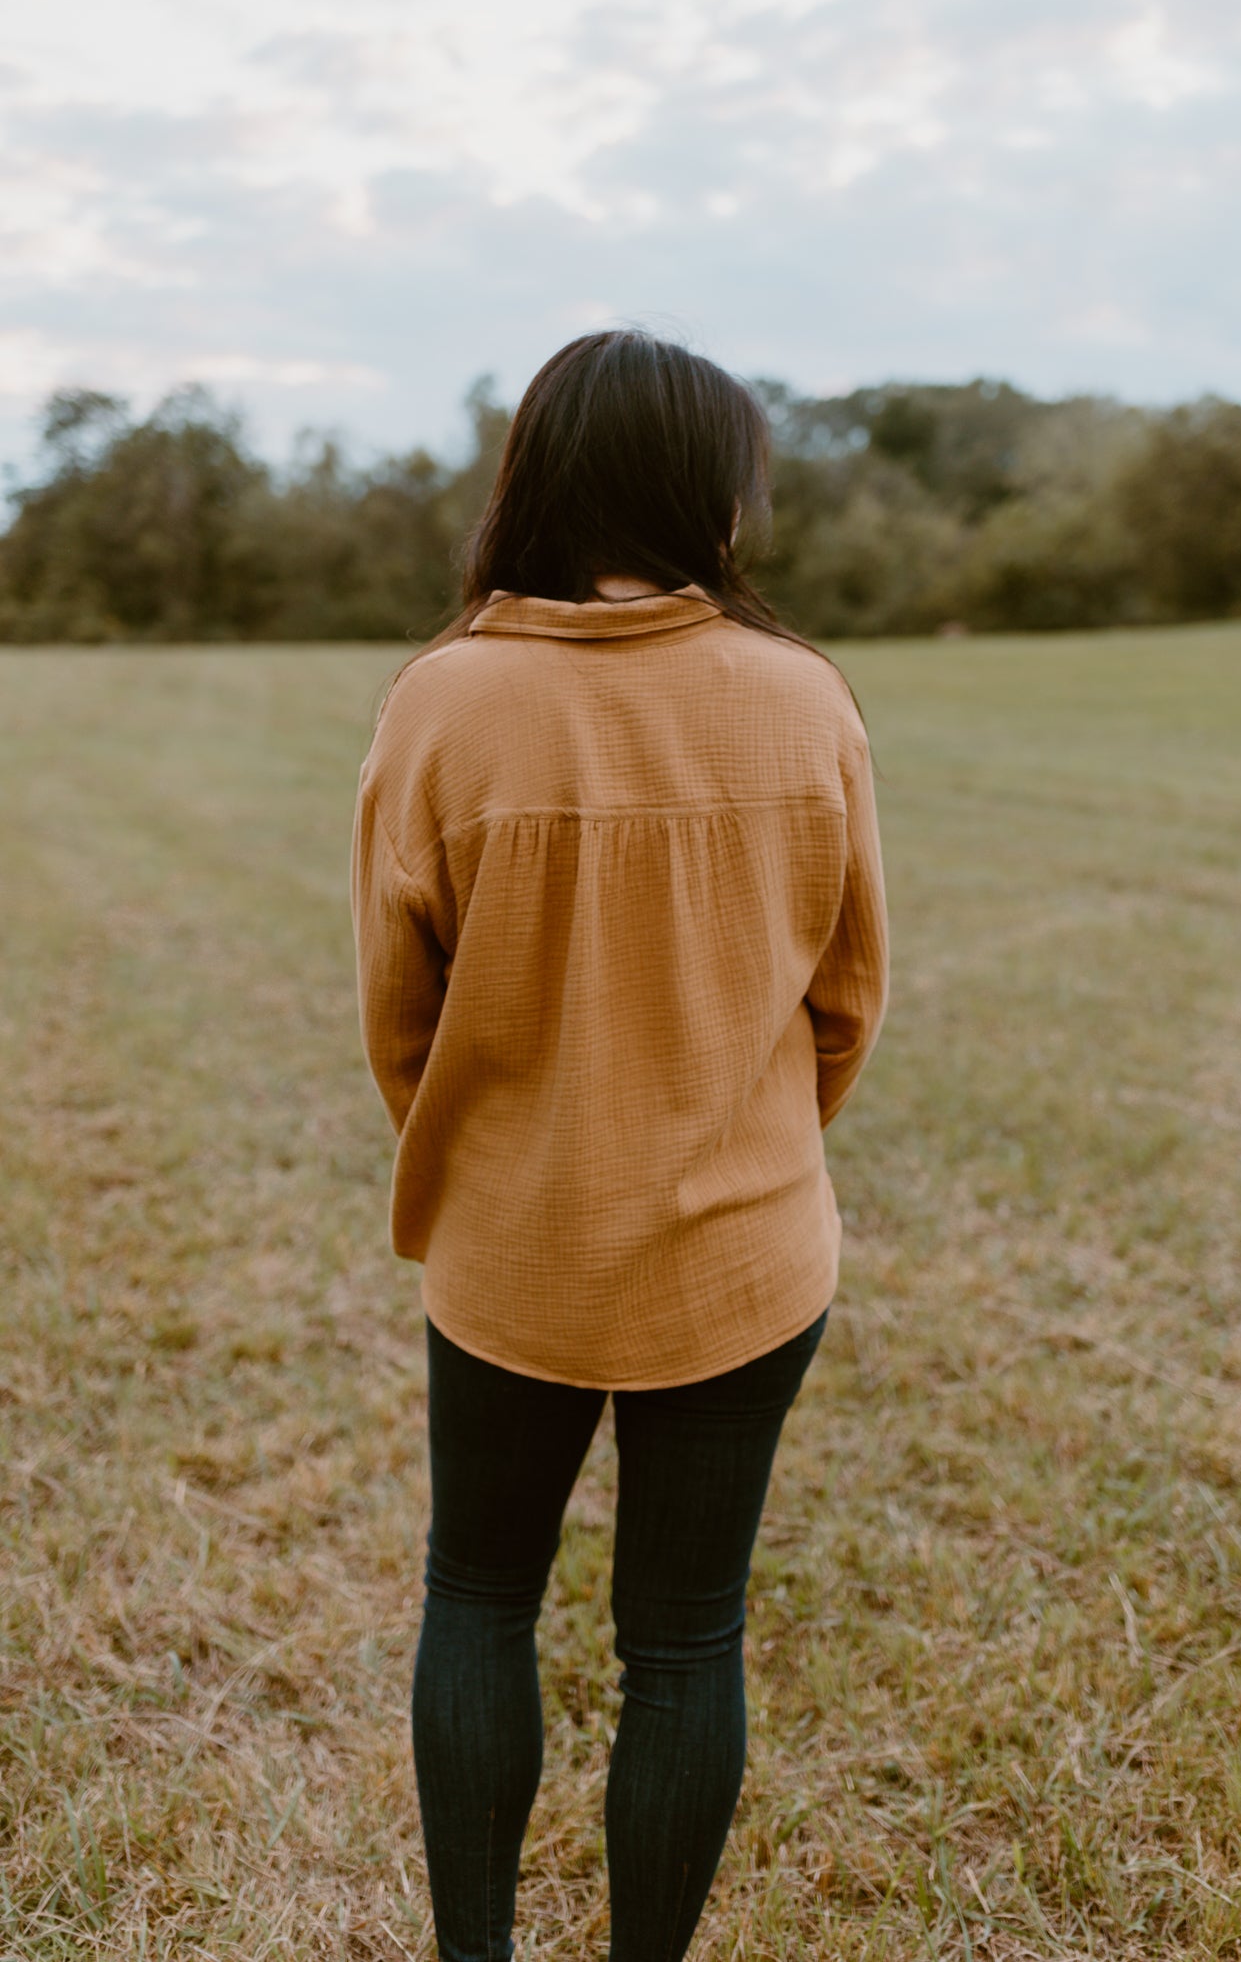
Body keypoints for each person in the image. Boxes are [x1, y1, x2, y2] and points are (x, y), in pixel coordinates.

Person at [350, 330, 890, 1962]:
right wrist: (747, 1152)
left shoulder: (446, 701)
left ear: (541, 475)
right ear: (706, 495)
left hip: (515, 1249)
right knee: (685, 1640)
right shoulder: (803, 700)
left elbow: (399, 1015)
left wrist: (504, 1155)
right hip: (748, 1253)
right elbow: (848, 1001)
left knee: (478, 1599)